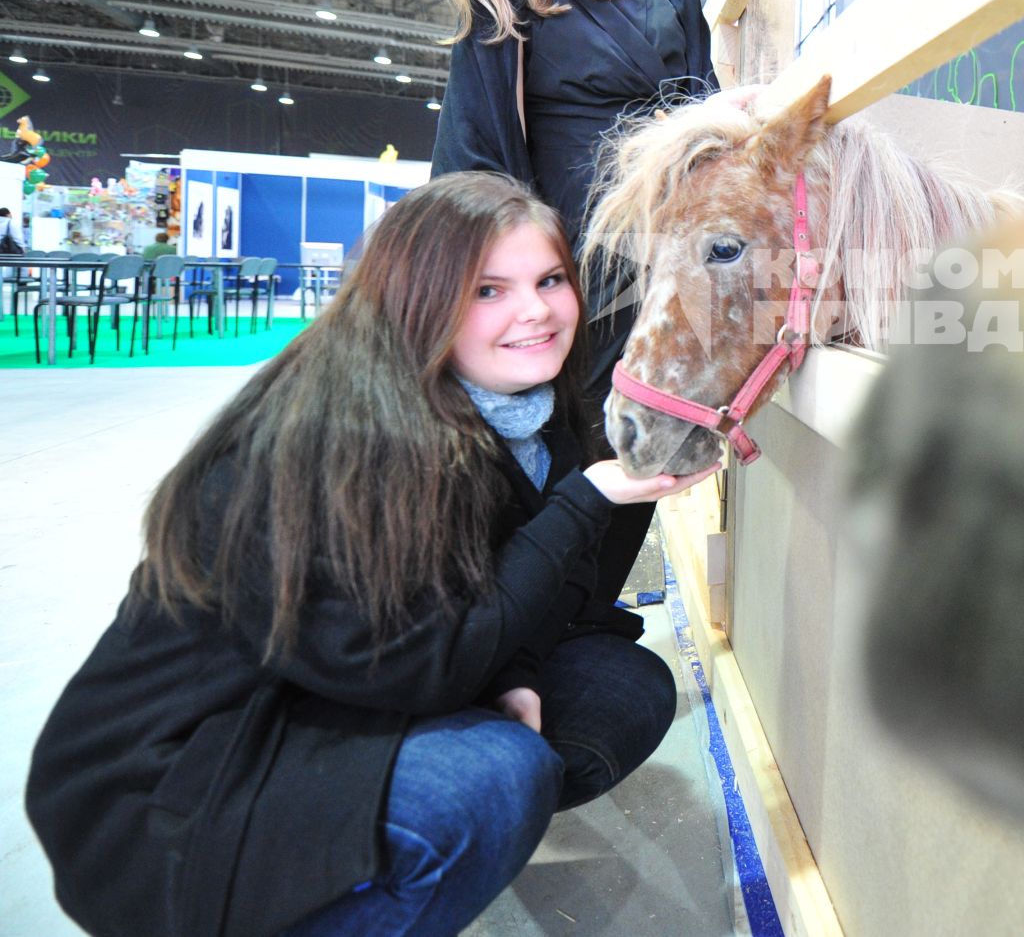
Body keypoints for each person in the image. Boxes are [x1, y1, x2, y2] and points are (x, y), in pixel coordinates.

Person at [26, 172, 719, 937]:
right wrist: (584, 502)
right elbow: (424, 657)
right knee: (493, 780)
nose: (537, 311)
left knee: (618, 686)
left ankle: (365, 876)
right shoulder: (336, 438)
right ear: (415, 297)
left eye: (550, 279)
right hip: (189, 771)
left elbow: (503, 589)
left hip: (345, 688)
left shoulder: (525, 414)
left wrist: (517, 671)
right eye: (488, 289)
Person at [428, 0, 718, 607]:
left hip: (668, 293)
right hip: (574, 299)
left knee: (639, 482)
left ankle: (572, 642)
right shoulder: (506, 1)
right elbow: (473, 167)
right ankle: (522, 651)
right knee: (554, 498)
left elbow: (708, 146)